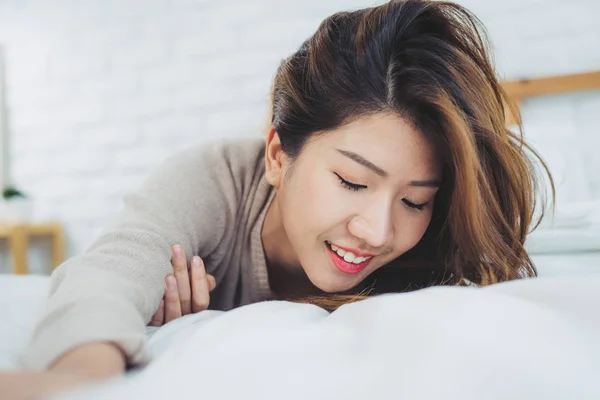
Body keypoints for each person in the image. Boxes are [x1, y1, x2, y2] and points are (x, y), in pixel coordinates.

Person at [0, 0, 553, 397]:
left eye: (415, 201)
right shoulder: (215, 179)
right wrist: (74, 380)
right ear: (277, 155)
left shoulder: (433, 251)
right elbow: (112, 272)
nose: (379, 232)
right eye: (353, 182)